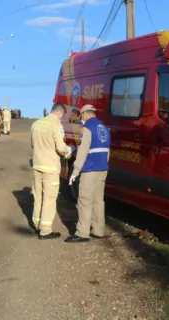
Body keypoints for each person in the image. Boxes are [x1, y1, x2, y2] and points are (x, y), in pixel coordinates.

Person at [66, 104, 111, 243]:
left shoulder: (86, 129)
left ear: (85, 114)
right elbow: (108, 151)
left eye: (81, 116)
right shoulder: (104, 128)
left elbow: (82, 152)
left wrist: (75, 171)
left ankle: (82, 233)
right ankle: (98, 230)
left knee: (84, 200)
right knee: (98, 201)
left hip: (90, 169)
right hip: (102, 169)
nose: (82, 119)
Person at [30, 103, 74, 240]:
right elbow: (61, 148)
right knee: (49, 198)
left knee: (38, 197)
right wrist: (70, 151)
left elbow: (33, 144)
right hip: (50, 168)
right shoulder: (56, 126)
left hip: (37, 165)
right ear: (61, 113)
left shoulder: (36, 124)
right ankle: (45, 230)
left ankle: (36, 223)